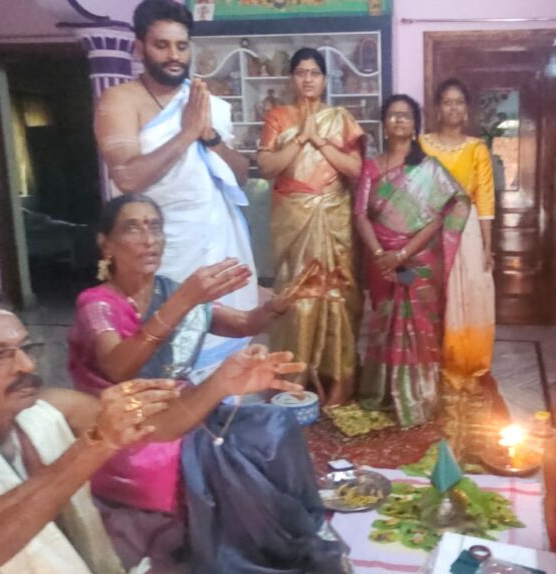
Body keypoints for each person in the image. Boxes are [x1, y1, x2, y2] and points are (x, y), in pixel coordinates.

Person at [0, 290, 305, 574]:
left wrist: (223, 382)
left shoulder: (44, 408)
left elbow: (158, 426)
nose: (26, 365)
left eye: (25, 347)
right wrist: (95, 445)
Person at [68, 194, 343, 573]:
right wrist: (183, 300)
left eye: (155, 227)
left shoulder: (170, 291)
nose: (149, 239)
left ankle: (295, 534)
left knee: (276, 424)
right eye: (133, 228)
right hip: (136, 423)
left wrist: (279, 304)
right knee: (235, 456)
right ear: (106, 244)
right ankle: (252, 554)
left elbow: (244, 324)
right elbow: (118, 367)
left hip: (189, 407)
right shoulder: (97, 304)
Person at [94, 0, 256, 380]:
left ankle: (224, 407)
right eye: (161, 45)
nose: (174, 56)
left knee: (227, 354)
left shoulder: (204, 102)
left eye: (181, 46)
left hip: (216, 241)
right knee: (165, 353)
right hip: (162, 249)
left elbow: (241, 176)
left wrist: (209, 136)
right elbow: (127, 178)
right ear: (139, 47)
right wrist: (186, 133)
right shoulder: (121, 101)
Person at [257, 47, 365, 406]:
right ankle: (293, 381)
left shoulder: (339, 118)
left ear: (324, 79)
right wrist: (301, 138)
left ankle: (337, 381)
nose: (307, 79)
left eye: (314, 72)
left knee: (337, 294)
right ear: (291, 78)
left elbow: (356, 169)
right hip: (293, 218)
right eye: (301, 72)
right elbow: (268, 168)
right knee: (295, 295)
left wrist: (319, 141)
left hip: (333, 215)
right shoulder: (278, 117)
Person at [353, 95, 470, 427]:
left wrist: (401, 255)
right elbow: (360, 215)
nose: (399, 119)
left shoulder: (428, 168)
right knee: (386, 321)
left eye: (405, 115)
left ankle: (420, 395)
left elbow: (441, 216)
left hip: (415, 262)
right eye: (392, 115)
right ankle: (384, 391)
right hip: (381, 260)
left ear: (416, 125)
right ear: (383, 125)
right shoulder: (371, 167)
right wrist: (381, 255)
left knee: (418, 320)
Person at [420, 79, 497, 395]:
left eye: (459, 102)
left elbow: (485, 199)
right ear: (438, 108)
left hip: (466, 229)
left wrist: (487, 245)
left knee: (471, 292)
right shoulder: (422, 144)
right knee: (433, 293)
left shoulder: (477, 148)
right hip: (428, 228)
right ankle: (432, 363)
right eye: (447, 102)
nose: (453, 107)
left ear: (466, 109)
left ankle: (466, 364)